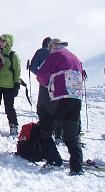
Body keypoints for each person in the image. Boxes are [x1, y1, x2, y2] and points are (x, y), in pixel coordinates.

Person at [36, 38, 84, 175]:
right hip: (76, 97)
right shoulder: (75, 57)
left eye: (50, 47)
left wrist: (48, 84)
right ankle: (77, 168)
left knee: (45, 129)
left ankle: (54, 160)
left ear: (54, 46)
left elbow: (41, 74)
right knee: (71, 135)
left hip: (60, 98)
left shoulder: (55, 55)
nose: (49, 50)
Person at [0, 34, 21, 136]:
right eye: (0, 40)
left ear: (8, 42)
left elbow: (17, 71)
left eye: (3, 41)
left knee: (9, 107)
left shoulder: (13, 55)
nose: (1, 43)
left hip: (9, 86)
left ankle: (13, 127)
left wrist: (16, 84)